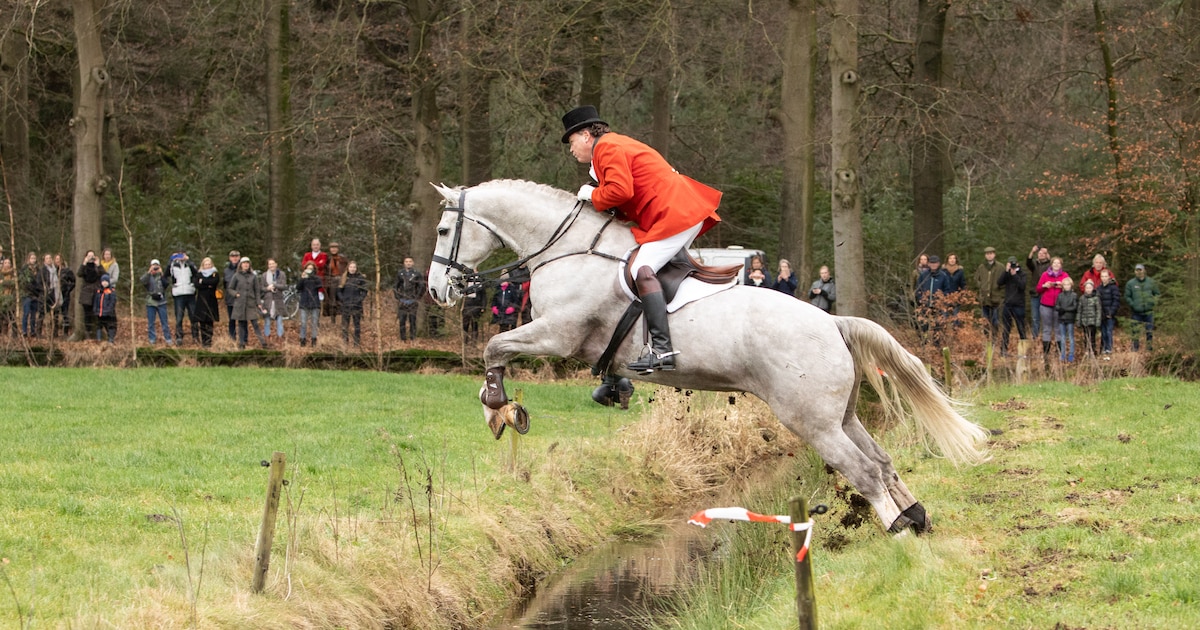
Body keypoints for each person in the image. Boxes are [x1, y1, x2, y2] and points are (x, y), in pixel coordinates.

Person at [564, 105, 722, 373]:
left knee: (640, 269)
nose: (571, 149)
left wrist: (590, 196)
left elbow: (620, 190)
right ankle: (621, 372)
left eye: (571, 141)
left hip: (675, 213)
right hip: (675, 210)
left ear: (586, 135)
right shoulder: (611, 146)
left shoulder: (606, 147)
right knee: (645, 270)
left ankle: (662, 350)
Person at [227, 257, 266, 349]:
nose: (246, 265)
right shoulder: (236, 275)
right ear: (241, 265)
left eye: (247, 263)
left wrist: (258, 302)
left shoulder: (253, 276)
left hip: (251, 303)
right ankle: (241, 344)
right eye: (244, 263)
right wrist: (236, 294)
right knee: (241, 324)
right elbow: (230, 288)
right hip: (240, 303)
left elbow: (257, 291)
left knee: (255, 323)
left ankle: (263, 342)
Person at [1036, 257, 1070, 359]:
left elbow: (1070, 289)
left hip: (1059, 306)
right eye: (1054, 263)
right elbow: (1038, 289)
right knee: (1046, 329)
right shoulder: (1045, 275)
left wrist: (1063, 286)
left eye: (1058, 263)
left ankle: (1060, 353)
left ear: (1061, 265)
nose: (1056, 265)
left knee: (1058, 329)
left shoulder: (1064, 275)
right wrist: (1045, 286)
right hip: (1046, 305)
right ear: (1051, 264)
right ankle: (1046, 353)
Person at [1124, 263, 1160, 352]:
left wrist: (1153, 303)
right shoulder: (1130, 283)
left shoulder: (1151, 282)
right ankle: (1135, 349)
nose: (1139, 272)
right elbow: (1127, 296)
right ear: (1135, 271)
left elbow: (1157, 294)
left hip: (1149, 312)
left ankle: (1149, 349)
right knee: (1135, 332)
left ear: (1144, 271)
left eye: (1140, 270)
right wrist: (1133, 304)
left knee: (1149, 331)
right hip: (1136, 312)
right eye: (1137, 270)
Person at [996, 256, 1027, 356]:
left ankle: (1023, 352)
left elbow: (1022, 286)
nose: (1012, 265)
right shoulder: (1007, 274)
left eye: (1013, 263)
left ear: (1017, 264)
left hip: (1019, 305)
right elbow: (999, 282)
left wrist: (1015, 275)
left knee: (1021, 328)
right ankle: (1003, 350)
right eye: (1010, 263)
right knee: (1006, 329)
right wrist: (1006, 272)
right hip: (1008, 305)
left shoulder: (1022, 274)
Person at [140, 259, 174, 346]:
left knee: (164, 322)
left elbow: (166, 284)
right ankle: (152, 339)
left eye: (156, 266)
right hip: (150, 302)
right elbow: (142, 281)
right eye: (153, 266)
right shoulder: (148, 276)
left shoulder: (162, 276)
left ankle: (168, 339)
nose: (155, 268)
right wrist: (149, 272)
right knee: (151, 322)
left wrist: (161, 273)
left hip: (161, 301)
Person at [169, 251, 200, 345]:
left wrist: (189, 261)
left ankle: (195, 337)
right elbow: (166, 273)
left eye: (182, 255)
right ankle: (179, 337)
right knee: (179, 317)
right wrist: (171, 260)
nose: (180, 257)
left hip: (190, 293)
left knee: (193, 317)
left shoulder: (189, 265)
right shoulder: (173, 266)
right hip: (178, 294)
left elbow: (197, 273)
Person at [974, 246, 1004, 338]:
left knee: (995, 320)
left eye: (991, 254)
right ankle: (986, 338)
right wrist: (981, 286)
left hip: (996, 297)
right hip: (984, 298)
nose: (989, 256)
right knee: (985, 320)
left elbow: (1004, 281)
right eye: (987, 254)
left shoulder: (1000, 267)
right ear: (985, 255)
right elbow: (976, 279)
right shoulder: (982, 267)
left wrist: (1000, 290)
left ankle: (995, 337)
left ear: (994, 254)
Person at [338, 260, 369, 346]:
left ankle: (356, 343)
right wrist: (343, 299)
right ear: (348, 268)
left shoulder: (360, 278)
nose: (352, 269)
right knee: (345, 326)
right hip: (346, 305)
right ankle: (345, 342)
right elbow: (339, 291)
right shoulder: (344, 278)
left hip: (357, 305)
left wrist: (359, 299)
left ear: (356, 268)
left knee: (357, 325)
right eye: (351, 267)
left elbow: (364, 291)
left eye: (354, 267)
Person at [393, 256, 424, 341]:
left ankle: (412, 338)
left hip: (413, 301)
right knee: (402, 321)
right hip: (402, 301)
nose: (408, 263)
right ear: (404, 263)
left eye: (410, 261)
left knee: (412, 321)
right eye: (406, 261)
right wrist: (398, 297)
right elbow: (395, 286)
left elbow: (421, 287)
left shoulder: (417, 274)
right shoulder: (400, 273)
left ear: (413, 263)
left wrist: (417, 297)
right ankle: (402, 338)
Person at [193, 257, 222, 347]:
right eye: (206, 264)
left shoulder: (215, 274)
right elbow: (197, 284)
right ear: (203, 265)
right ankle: (203, 341)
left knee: (210, 322)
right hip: (201, 301)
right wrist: (207, 284)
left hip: (211, 301)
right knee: (202, 322)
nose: (207, 266)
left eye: (209, 264)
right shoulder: (199, 274)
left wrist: (203, 282)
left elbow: (214, 282)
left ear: (211, 265)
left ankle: (209, 341)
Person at [1026, 246, 1052, 338]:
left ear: (1046, 255)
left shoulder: (1049, 266)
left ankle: (1045, 336)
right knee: (1035, 317)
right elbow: (1028, 262)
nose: (1040, 255)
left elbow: (1054, 265)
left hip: (1045, 293)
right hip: (1035, 293)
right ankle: (1035, 337)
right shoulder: (1035, 265)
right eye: (1039, 253)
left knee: (1045, 317)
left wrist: (1048, 255)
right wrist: (1032, 252)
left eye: (1043, 253)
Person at [259, 258, 287, 342]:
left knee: (279, 321)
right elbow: (262, 288)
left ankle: (280, 338)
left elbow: (284, 286)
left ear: (276, 264)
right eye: (269, 264)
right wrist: (268, 288)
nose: (271, 265)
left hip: (278, 301)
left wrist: (275, 285)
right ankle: (267, 338)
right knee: (267, 321)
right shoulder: (264, 275)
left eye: (273, 263)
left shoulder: (281, 274)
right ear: (268, 266)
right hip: (268, 301)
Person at [296, 261, 323, 347]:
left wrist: (312, 276)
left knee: (314, 324)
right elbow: (298, 288)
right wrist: (303, 278)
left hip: (315, 304)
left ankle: (314, 341)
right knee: (303, 323)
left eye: (311, 269)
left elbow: (319, 286)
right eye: (308, 268)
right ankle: (302, 340)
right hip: (304, 303)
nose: (309, 270)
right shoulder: (303, 278)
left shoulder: (317, 278)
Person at [77, 250, 104, 338]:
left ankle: (98, 333)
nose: (91, 258)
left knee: (96, 313)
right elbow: (79, 274)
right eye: (89, 256)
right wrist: (84, 263)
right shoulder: (84, 267)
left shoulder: (97, 267)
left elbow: (104, 274)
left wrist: (99, 264)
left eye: (92, 256)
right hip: (86, 293)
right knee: (87, 314)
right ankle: (87, 332)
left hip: (96, 292)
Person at [19, 252, 43, 338]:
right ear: (28, 259)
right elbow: (24, 282)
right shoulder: (24, 269)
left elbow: (40, 282)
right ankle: (24, 331)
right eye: (31, 258)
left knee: (33, 314)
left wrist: (38, 291)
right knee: (26, 313)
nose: (33, 260)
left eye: (34, 258)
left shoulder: (38, 270)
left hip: (35, 295)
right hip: (27, 294)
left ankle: (33, 331)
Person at [1054, 277, 1078, 362]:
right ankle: (1063, 354)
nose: (1067, 286)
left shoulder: (1074, 295)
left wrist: (1065, 309)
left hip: (1070, 318)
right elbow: (1056, 306)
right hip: (1061, 318)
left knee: (1071, 337)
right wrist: (1061, 309)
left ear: (1071, 285)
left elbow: (1075, 307)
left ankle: (1071, 354)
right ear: (1062, 286)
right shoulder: (1060, 295)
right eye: (1065, 284)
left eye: (1068, 284)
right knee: (1063, 337)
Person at [1098, 269, 1119, 358]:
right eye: (1102, 276)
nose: (1104, 278)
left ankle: (1109, 349)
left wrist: (1111, 312)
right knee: (1103, 332)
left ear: (1109, 277)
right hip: (1102, 314)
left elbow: (1116, 300)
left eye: (1106, 276)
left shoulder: (1113, 287)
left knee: (1109, 331)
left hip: (1110, 314)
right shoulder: (1099, 288)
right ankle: (1104, 349)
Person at [325, 241, 348, 325]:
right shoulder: (328, 259)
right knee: (332, 301)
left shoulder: (343, 258)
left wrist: (345, 279)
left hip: (341, 279)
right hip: (331, 281)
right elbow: (326, 271)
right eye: (332, 248)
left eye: (335, 248)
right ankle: (333, 320)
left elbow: (347, 269)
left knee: (342, 300)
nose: (334, 249)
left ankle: (344, 319)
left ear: (338, 249)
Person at [1078, 279, 1102, 357]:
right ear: (1085, 289)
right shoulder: (1082, 298)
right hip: (1084, 321)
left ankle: (1092, 350)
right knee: (1086, 337)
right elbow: (1079, 310)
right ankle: (1087, 350)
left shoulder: (1096, 298)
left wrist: (1098, 321)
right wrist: (1078, 321)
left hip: (1093, 321)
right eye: (1087, 288)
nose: (1088, 289)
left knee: (1092, 337)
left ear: (1092, 288)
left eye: (1090, 288)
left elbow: (1098, 310)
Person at [41, 254, 62, 336]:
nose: (49, 259)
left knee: (55, 313)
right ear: (44, 260)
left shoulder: (55, 269)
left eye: (50, 258)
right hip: (46, 293)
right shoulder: (43, 270)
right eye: (47, 258)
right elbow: (39, 282)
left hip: (55, 292)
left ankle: (55, 332)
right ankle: (39, 332)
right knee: (43, 312)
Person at [461, 273, 486, 342]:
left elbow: (483, 295)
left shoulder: (480, 280)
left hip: (476, 304)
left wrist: (483, 306)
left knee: (474, 323)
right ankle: (465, 340)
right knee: (465, 323)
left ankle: (474, 340)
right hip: (467, 303)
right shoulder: (466, 280)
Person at [94, 274, 118, 343]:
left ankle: (111, 340)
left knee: (111, 326)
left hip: (109, 314)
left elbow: (112, 302)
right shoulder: (98, 291)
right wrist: (95, 310)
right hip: (100, 313)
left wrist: (109, 310)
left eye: (106, 281)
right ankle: (99, 340)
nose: (104, 283)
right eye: (103, 281)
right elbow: (96, 301)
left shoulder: (111, 291)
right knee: (99, 326)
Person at [56, 254, 75, 336]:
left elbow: (74, 281)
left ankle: (65, 332)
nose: (57, 260)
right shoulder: (53, 270)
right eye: (56, 259)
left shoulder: (67, 270)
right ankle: (55, 332)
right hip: (55, 295)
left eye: (59, 259)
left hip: (65, 294)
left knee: (65, 313)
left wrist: (68, 289)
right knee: (55, 313)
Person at [223, 250, 241, 340]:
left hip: (241, 298)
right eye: (233, 256)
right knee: (231, 320)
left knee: (242, 320)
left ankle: (242, 339)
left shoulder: (242, 270)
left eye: (236, 256)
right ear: (230, 258)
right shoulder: (226, 271)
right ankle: (232, 338)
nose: (235, 258)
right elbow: (225, 285)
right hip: (230, 299)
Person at [0, 258, 15, 336]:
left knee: (9, 316)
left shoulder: (13, 273)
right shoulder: (1, 274)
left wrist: (4, 282)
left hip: (11, 297)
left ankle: (6, 334)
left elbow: (14, 283)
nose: (7, 264)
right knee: (1, 316)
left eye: (9, 263)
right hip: (1, 297)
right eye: (5, 263)